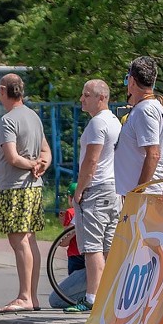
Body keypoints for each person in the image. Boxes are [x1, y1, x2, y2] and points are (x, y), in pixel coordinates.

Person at [0, 73, 52, 313]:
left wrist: (31, 164)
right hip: (34, 187)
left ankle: (25, 296)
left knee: (18, 240)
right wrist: (41, 164)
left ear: (2, 91)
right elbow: (46, 152)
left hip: (15, 187)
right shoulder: (33, 116)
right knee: (30, 239)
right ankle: (33, 296)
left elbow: (12, 156)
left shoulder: (8, 120)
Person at [66, 80, 121, 312]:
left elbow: (92, 160)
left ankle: (91, 298)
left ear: (101, 98)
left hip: (96, 190)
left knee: (92, 247)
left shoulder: (97, 124)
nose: (82, 99)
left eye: (86, 95)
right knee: (109, 246)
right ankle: (111, 296)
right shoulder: (114, 121)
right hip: (113, 188)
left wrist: (79, 190)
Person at [115, 56, 163, 196]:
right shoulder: (147, 107)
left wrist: (139, 190)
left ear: (132, 80)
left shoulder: (145, 110)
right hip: (144, 196)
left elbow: (153, 154)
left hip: (146, 197)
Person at [49, 183, 87, 309]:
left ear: (71, 198)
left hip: (75, 256)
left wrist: (67, 226)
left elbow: (63, 241)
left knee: (71, 286)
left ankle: (82, 301)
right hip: (88, 255)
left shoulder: (72, 213)